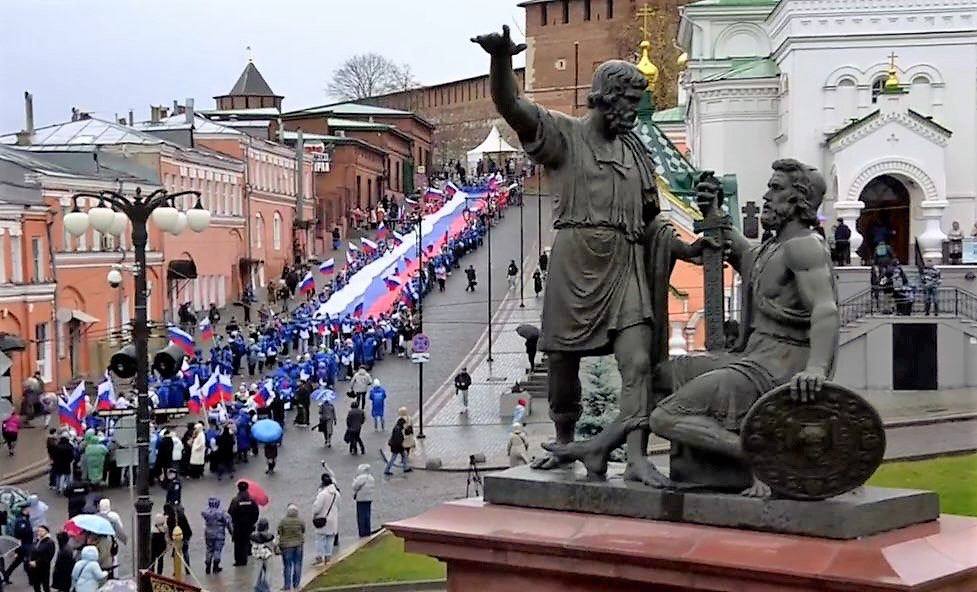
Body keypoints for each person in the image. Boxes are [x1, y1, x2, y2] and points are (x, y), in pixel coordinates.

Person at [473, 27, 712, 478]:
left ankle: (638, 456)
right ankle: (564, 444)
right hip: (575, 260)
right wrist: (502, 60)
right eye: (628, 103)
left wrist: (685, 248)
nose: (635, 114)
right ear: (604, 97)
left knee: (638, 361)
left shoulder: (637, 153)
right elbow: (513, 108)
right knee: (563, 362)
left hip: (624, 265)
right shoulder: (565, 136)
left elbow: (651, 222)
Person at [228, 481, 260, 567]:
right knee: (246, 541)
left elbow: (230, 513)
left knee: (238, 543)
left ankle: (238, 561)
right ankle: (244, 559)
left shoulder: (235, 500)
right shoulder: (251, 500)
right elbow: (256, 512)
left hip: (238, 526)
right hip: (248, 525)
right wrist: (252, 522)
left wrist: (234, 522)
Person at [311, 473, 340, 566]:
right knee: (330, 539)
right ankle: (328, 557)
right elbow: (338, 506)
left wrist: (314, 514)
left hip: (322, 518)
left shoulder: (322, 494)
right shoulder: (337, 494)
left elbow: (317, 508)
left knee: (320, 538)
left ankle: (319, 557)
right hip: (333, 519)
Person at [276, 504, 305, 591]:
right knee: (298, 564)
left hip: (286, 546)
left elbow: (279, 531)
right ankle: (296, 584)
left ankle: (287, 586)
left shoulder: (283, 521)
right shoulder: (300, 521)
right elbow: (303, 530)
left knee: (287, 566)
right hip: (298, 545)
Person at [202, 497, 232, 574]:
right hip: (219, 534)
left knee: (209, 549)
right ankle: (215, 567)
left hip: (208, 533)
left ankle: (207, 567)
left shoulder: (206, 512)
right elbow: (228, 522)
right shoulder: (222, 512)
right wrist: (232, 532)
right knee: (217, 550)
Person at [249, 519, 275, 592]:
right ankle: (266, 587)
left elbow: (251, 543)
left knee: (257, 572)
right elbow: (273, 544)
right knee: (268, 572)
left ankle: (257, 587)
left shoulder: (253, 536)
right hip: (267, 555)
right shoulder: (270, 536)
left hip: (257, 556)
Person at [28, 525, 56, 592]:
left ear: (46, 532)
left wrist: (36, 562)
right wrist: (30, 560)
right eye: (38, 531)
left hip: (43, 568)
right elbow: (32, 551)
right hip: (34, 569)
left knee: (45, 586)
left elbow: (48, 556)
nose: (39, 532)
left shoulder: (49, 542)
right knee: (36, 586)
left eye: (42, 531)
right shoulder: (37, 541)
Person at [351, 464, 376, 537]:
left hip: (361, 499)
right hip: (369, 499)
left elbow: (354, 487)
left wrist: (354, 480)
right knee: (367, 515)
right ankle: (367, 531)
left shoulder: (360, 478)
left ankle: (362, 532)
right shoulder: (371, 478)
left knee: (361, 516)